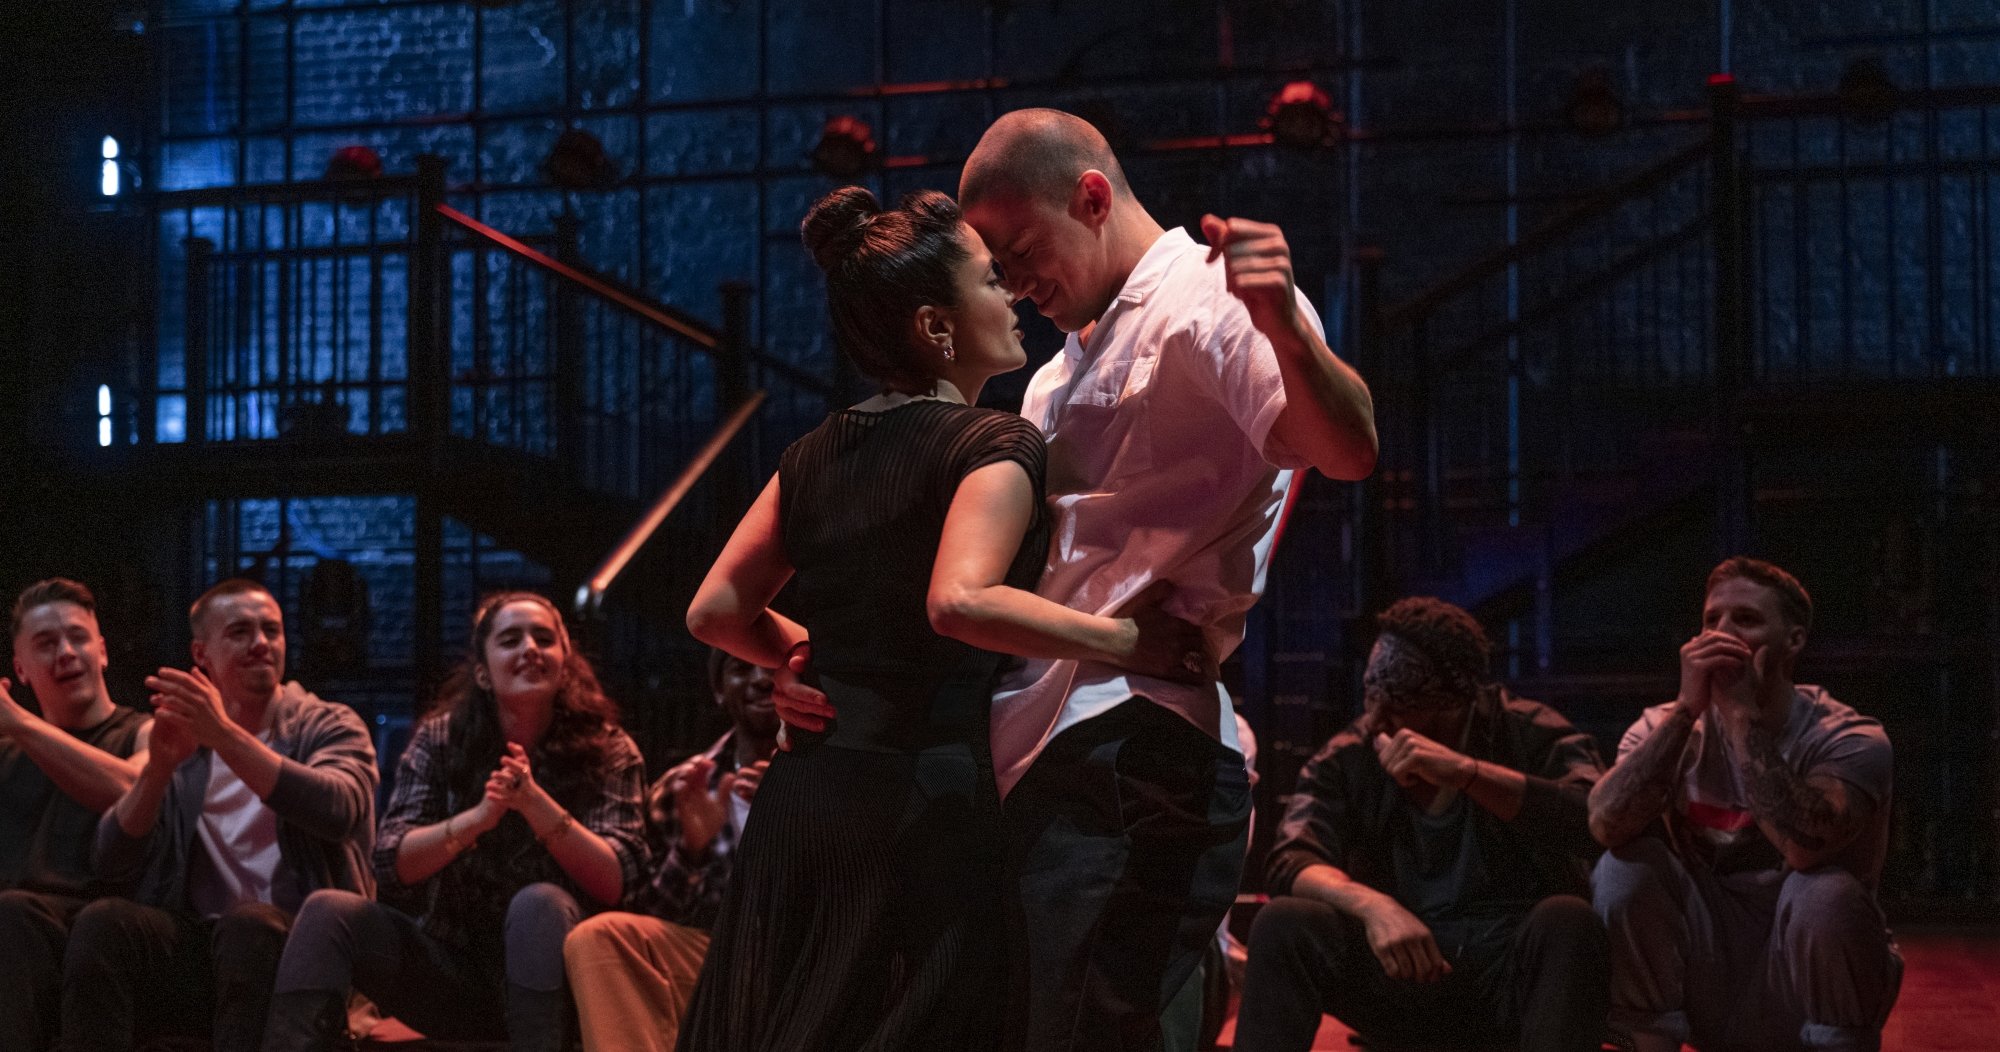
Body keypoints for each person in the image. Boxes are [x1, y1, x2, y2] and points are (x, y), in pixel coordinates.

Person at [778, 107, 1380, 1051]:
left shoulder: (1207, 297)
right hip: (1029, 740)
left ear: (1090, 197)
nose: (1014, 286)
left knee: (1086, 1025)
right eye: (997, 269)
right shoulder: (1052, 378)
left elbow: (1343, 449)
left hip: (1133, 737)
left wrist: (1288, 333)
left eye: (1019, 254)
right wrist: (827, 665)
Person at [675, 184, 1208, 1052]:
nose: (1013, 297)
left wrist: (804, 657)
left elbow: (715, 611)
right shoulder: (992, 444)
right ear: (935, 327)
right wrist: (1126, 639)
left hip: (805, 801)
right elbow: (959, 602)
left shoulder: (812, 453)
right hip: (916, 806)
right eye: (991, 283)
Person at [259, 591, 648, 1052]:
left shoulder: (609, 748)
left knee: (537, 904)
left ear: (565, 663)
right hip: (453, 975)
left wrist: (534, 803)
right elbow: (392, 861)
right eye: (510, 639)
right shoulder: (442, 737)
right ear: (482, 672)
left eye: (544, 638)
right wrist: (479, 819)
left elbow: (617, 879)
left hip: (566, 987)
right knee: (329, 910)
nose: (529, 649)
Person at [1233, 597, 1609, 1052]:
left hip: (1506, 972)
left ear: (1450, 704)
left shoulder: (1525, 729)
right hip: (1400, 968)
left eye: (1396, 708)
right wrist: (1375, 908)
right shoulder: (1351, 754)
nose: (1375, 721)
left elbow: (1593, 817)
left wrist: (1466, 772)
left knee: (1569, 921)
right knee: (1284, 921)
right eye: (1371, 698)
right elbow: (1292, 857)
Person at [1588, 558, 1900, 1052]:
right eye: (1712, 620)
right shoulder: (1661, 726)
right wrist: (1686, 710)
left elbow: (1804, 846)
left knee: (1826, 892)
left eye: (1746, 620)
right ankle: (1647, 1041)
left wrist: (1739, 714)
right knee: (1622, 868)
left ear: (1793, 640)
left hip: (1801, 979)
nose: (1721, 635)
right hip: (1705, 967)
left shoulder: (1848, 735)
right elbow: (1605, 823)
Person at [64, 578, 377, 1052]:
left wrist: (225, 735)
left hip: (303, 948)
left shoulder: (325, 724)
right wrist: (160, 769)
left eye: (271, 630)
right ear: (202, 653)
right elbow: (110, 859)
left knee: (249, 925)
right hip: (205, 946)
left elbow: (339, 810)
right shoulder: (185, 744)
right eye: (240, 632)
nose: (260, 643)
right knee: (104, 921)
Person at [563, 648, 780, 1052]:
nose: (762, 679)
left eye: (775, 667)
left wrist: (796, 815)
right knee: (598, 938)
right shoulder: (684, 788)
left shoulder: (836, 778)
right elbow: (655, 918)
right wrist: (690, 851)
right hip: (719, 965)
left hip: (806, 963)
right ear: (719, 689)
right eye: (741, 668)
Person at [0, 579, 152, 1051]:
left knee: (15, 912)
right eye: (46, 645)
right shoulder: (6, 751)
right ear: (20, 669)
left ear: (102, 651)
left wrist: (20, 722)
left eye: (78, 637)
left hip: (108, 929)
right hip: (17, 933)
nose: (66, 652)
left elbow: (133, 789)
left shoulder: (147, 733)